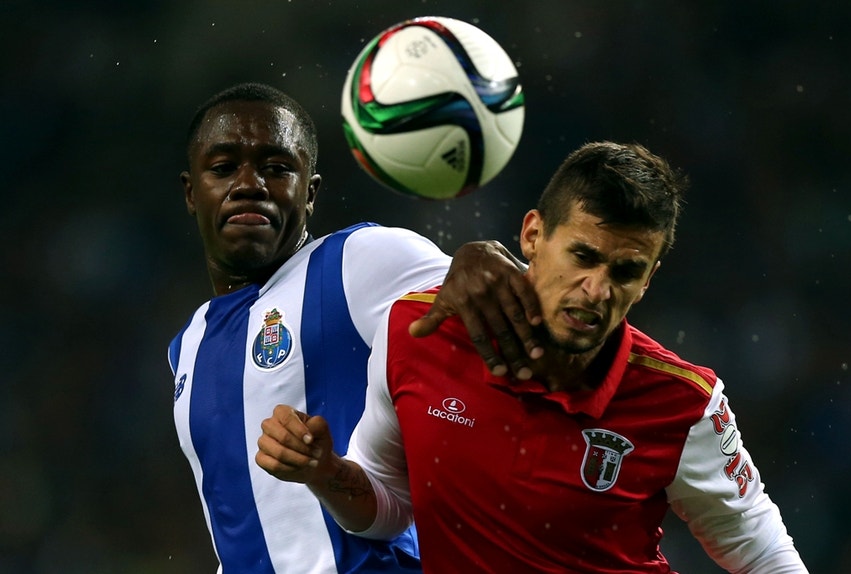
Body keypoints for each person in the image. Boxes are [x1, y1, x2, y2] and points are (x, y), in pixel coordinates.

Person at [256, 141, 809, 573]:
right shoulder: (417, 332)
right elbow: (390, 508)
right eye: (583, 256)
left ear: (648, 280)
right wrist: (325, 473)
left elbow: (761, 553)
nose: (597, 289)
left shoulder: (684, 402)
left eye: (625, 272)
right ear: (532, 234)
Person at [168, 82, 544, 573]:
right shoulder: (187, 346)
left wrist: (477, 257)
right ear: (191, 192)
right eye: (222, 168)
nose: (249, 184)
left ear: (310, 193)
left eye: (277, 168)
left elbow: (513, 298)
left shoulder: (357, 260)